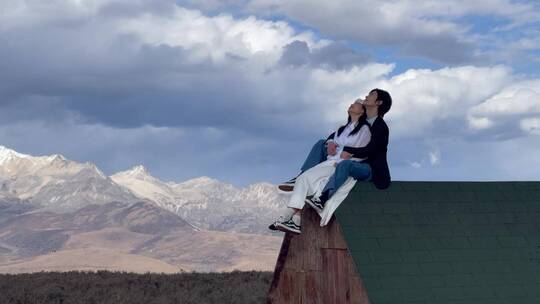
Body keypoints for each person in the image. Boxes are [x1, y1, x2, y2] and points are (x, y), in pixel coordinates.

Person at [270, 100, 371, 234]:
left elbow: (361, 151)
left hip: (339, 165)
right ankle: (295, 219)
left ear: (362, 111)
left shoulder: (364, 130)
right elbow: (333, 142)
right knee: (304, 180)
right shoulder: (342, 129)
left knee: (303, 179)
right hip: (329, 162)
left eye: (357, 103)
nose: (352, 104)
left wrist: (345, 156)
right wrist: (330, 143)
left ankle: (288, 216)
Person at [304, 88, 392, 213]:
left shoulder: (381, 127)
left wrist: (348, 150)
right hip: (347, 158)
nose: (367, 95)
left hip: (368, 167)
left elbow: (370, 150)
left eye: (372, 94)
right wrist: (330, 142)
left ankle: (323, 198)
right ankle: (301, 176)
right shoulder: (361, 119)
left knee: (345, 164)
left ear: (379, 103)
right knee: (321, 144)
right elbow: (340, 132)